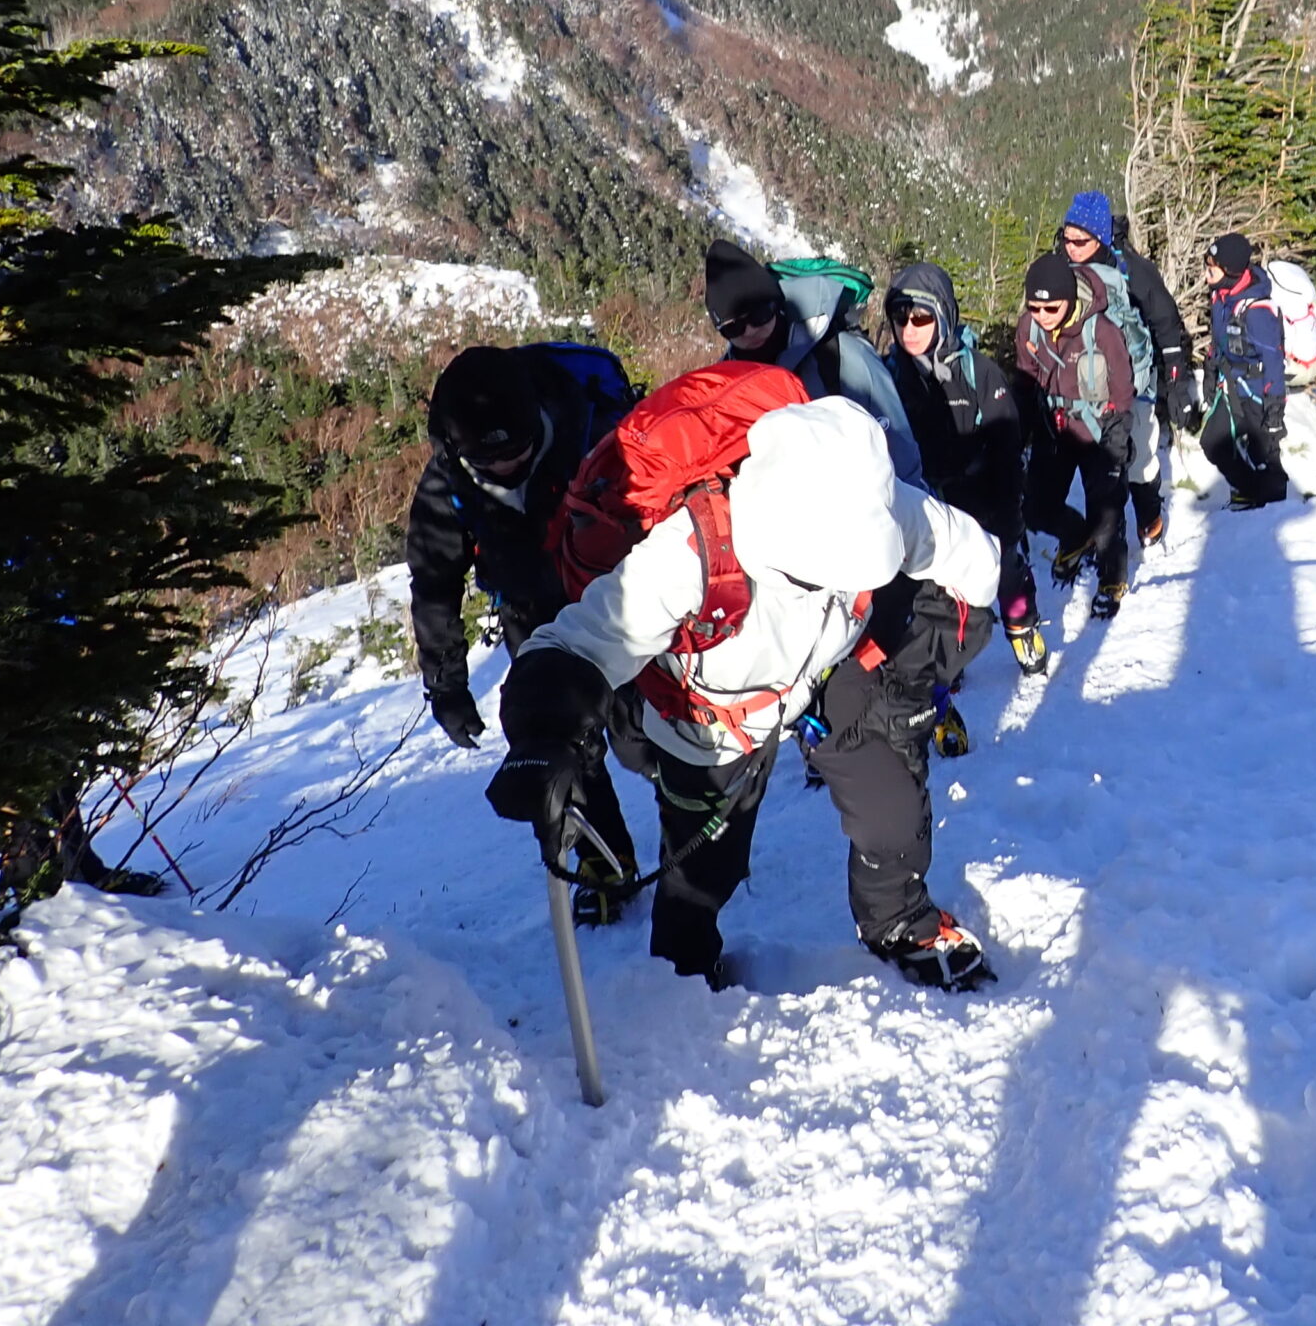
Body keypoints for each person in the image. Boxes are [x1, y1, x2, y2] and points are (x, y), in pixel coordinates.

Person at [485, 395, 1001, 990]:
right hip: (711, 723)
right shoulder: (691, 555)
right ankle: (681, 975)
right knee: (704, 870)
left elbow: (973, 560)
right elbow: (583, 639)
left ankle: (898, 920)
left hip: (828, 672)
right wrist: (542, 732)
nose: (860, 570)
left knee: (891, 815)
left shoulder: (873, 504)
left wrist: (913, 682)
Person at [406, 342, 633, 749]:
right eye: (485, 460)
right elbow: (434, 586)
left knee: (644, 743)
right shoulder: (446, 484)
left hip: (616, 603)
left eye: (516, 450)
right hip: (530, 619)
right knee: (552, 750)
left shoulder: (592, 435)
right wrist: (447, 689)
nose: (505, 466)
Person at [884, 261, 1040, 681]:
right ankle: (947, 660)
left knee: (1007, 571)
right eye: (900, 316)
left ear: (943, 316)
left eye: (921, 317)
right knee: (935, 592)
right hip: (926, 503)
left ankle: (1022, 625)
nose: (909, 328)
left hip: (982, 497)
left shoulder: (979, 373)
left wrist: (1010, 515)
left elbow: (1007, 448)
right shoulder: (888, 376)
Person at [704, 237, 923, 484]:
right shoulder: (725, 386)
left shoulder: (843, 356)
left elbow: (900, 451)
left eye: (760, 316)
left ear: (777, 306)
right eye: (734, 328)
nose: (750, 331)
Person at [1013, 249, 1138, 619]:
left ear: (1069, 299)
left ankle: (1111, 578)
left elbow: (1123, 391)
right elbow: (1025, 383)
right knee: (1036, 509)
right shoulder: (1029, 329)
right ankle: (1074, 537)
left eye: (1051, 308)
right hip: (1054, 427)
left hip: (1100, 429)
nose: (1042, 315)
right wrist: (1016, 435)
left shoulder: (1103, 332)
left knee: (1106, 513)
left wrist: (1117, 440)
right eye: (1034, 307)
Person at [1056, 193, 1183, 546]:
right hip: (1088, 385)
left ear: (1100, 238)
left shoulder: (1132, 271)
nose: (1070, 248)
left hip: (1136, 381)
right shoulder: (1063, 270)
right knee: (1101, 465)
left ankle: (1149, 514)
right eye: (1066, 238)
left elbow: (1165, 319)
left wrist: (1175, 376)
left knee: (1139, 457)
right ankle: (1108, 541)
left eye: (1080, 241)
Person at [1201, 233, 1291, 511]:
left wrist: (1274, 409)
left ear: (1229, 271)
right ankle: (1249, 490)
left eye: (1211, 270)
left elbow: (1274, 360)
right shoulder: (1221, 297)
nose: (1205, 276)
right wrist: (1210, 372)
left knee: (1264, 454)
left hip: (1257, 390)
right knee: (1212, 443)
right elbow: (1218, 341)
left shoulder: (1257, 311)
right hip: (1231, 385)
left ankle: (1271, 512)